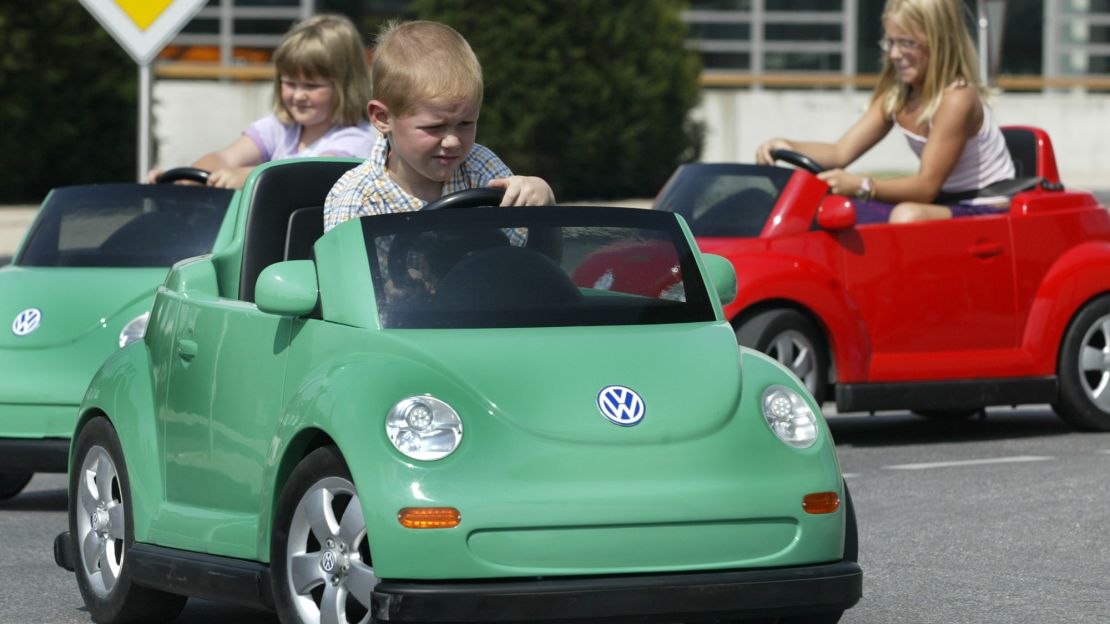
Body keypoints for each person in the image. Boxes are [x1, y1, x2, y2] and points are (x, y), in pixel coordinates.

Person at [755, 0, 1015, 223]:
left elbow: (925, 187)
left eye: (907, 43)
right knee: (827, 213)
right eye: (890, 42)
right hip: (944, 202)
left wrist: (862, 185)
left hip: (985, 208)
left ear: (939, 43)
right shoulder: (899, 93)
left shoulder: (957, 99)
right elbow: (839, 152)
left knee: (907, 216)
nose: (894, 54)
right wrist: (786, 145)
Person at [323, 20, 554, 233]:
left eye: (465, 123)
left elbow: (528, 248)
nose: (452, 141)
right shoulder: (358, 199)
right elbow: (346, 274)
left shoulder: (480, 166)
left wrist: (539, 195)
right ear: (382, 118)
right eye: (434, 127)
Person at [147, 13, 375, 189]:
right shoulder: (281, 128)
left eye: (312, 86)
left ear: (346, 85)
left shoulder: (356, 140)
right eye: (289, 83)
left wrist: (247, 177)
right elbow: (223, 158)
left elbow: (303, 177)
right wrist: (183, 180)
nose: (298, 96)